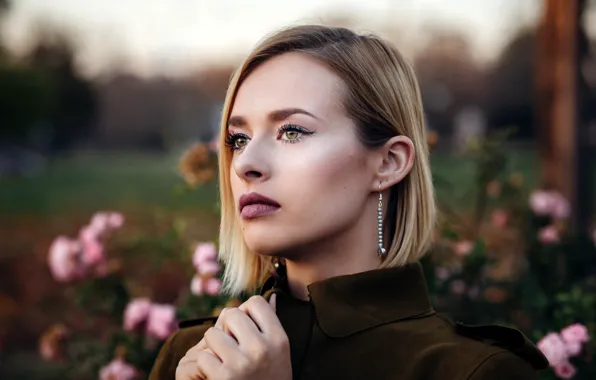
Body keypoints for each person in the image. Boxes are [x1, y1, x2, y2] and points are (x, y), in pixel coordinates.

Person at [149, 24, 548, 380]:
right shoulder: (193, 357)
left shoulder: (474, 372)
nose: (245, 164)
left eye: (291, 132)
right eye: (239, 139)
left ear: (388, 163)